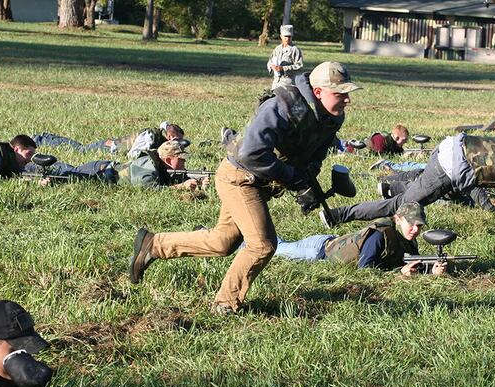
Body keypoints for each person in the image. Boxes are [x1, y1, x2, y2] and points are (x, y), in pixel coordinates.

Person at [129, 61, 362, 315]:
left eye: (347, 94)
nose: (347, 100)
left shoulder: (330, 119)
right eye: (340, 94)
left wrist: (306, 183)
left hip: (259, 182)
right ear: (318, 92)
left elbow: (314, 155)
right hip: (239, 178)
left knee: (223, 242)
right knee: (262, 245)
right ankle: (225, 303)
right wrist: (292, 179)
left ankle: (154, 245)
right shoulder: (282, 107)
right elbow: (252, 155)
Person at [322, 133, 495, 243]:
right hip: (449, 169)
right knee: (400, 206)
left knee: (409, 196)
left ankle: (383, 189)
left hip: (455, 161)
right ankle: (338, 214)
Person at [270, 202, 447, 275]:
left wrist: (432, 270)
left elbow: (410, 262)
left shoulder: (408, 238)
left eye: (420, 226)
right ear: (399, 219)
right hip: (318, 250)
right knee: (273, 247)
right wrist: (399, 274)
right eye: (412, 224)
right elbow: (366, 270)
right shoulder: (380, 234)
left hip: (328, 250)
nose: (416, 229)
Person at [378, 169, 495, 214]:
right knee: (422, 189)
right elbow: (488, 206)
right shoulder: (474, 180)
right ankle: (391, 189)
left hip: (454, 191)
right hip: (445, 185)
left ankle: (389, 184)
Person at [32, 122, 185, 158]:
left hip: (111, 146)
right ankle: (43, 138)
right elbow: (134, 153)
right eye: (176, 140)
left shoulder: (157, 138)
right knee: (79, 149)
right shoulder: (151, 136)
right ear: (170, 137)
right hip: (108, 147)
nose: (176, 145)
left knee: (79, 148)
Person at [120, 140, 210, 190]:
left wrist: (199, 182)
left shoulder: (165, 166)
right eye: (180, 159)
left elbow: (172, 179)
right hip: (107, 173)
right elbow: (148, 189)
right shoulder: (147, 168)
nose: (184, 162)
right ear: (168, 160)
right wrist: (181, 186)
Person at [267, 25, 304, 90]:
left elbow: (299, 65)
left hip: (288, 83)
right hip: (276, 82)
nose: (287, 38)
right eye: (285, 36)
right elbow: (270, 60)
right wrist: (271, 67)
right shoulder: (277, 49)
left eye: (289, 36)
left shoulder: (295, 50)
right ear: (281, 36)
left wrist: (283, 68)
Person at [339, 124, 410, 155]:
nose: (406, 142)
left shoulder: (394, 144)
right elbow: (379, 155)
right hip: (348, 148)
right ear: (397, 138)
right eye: (404, 139)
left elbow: (399, 153)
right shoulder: (381, 139)